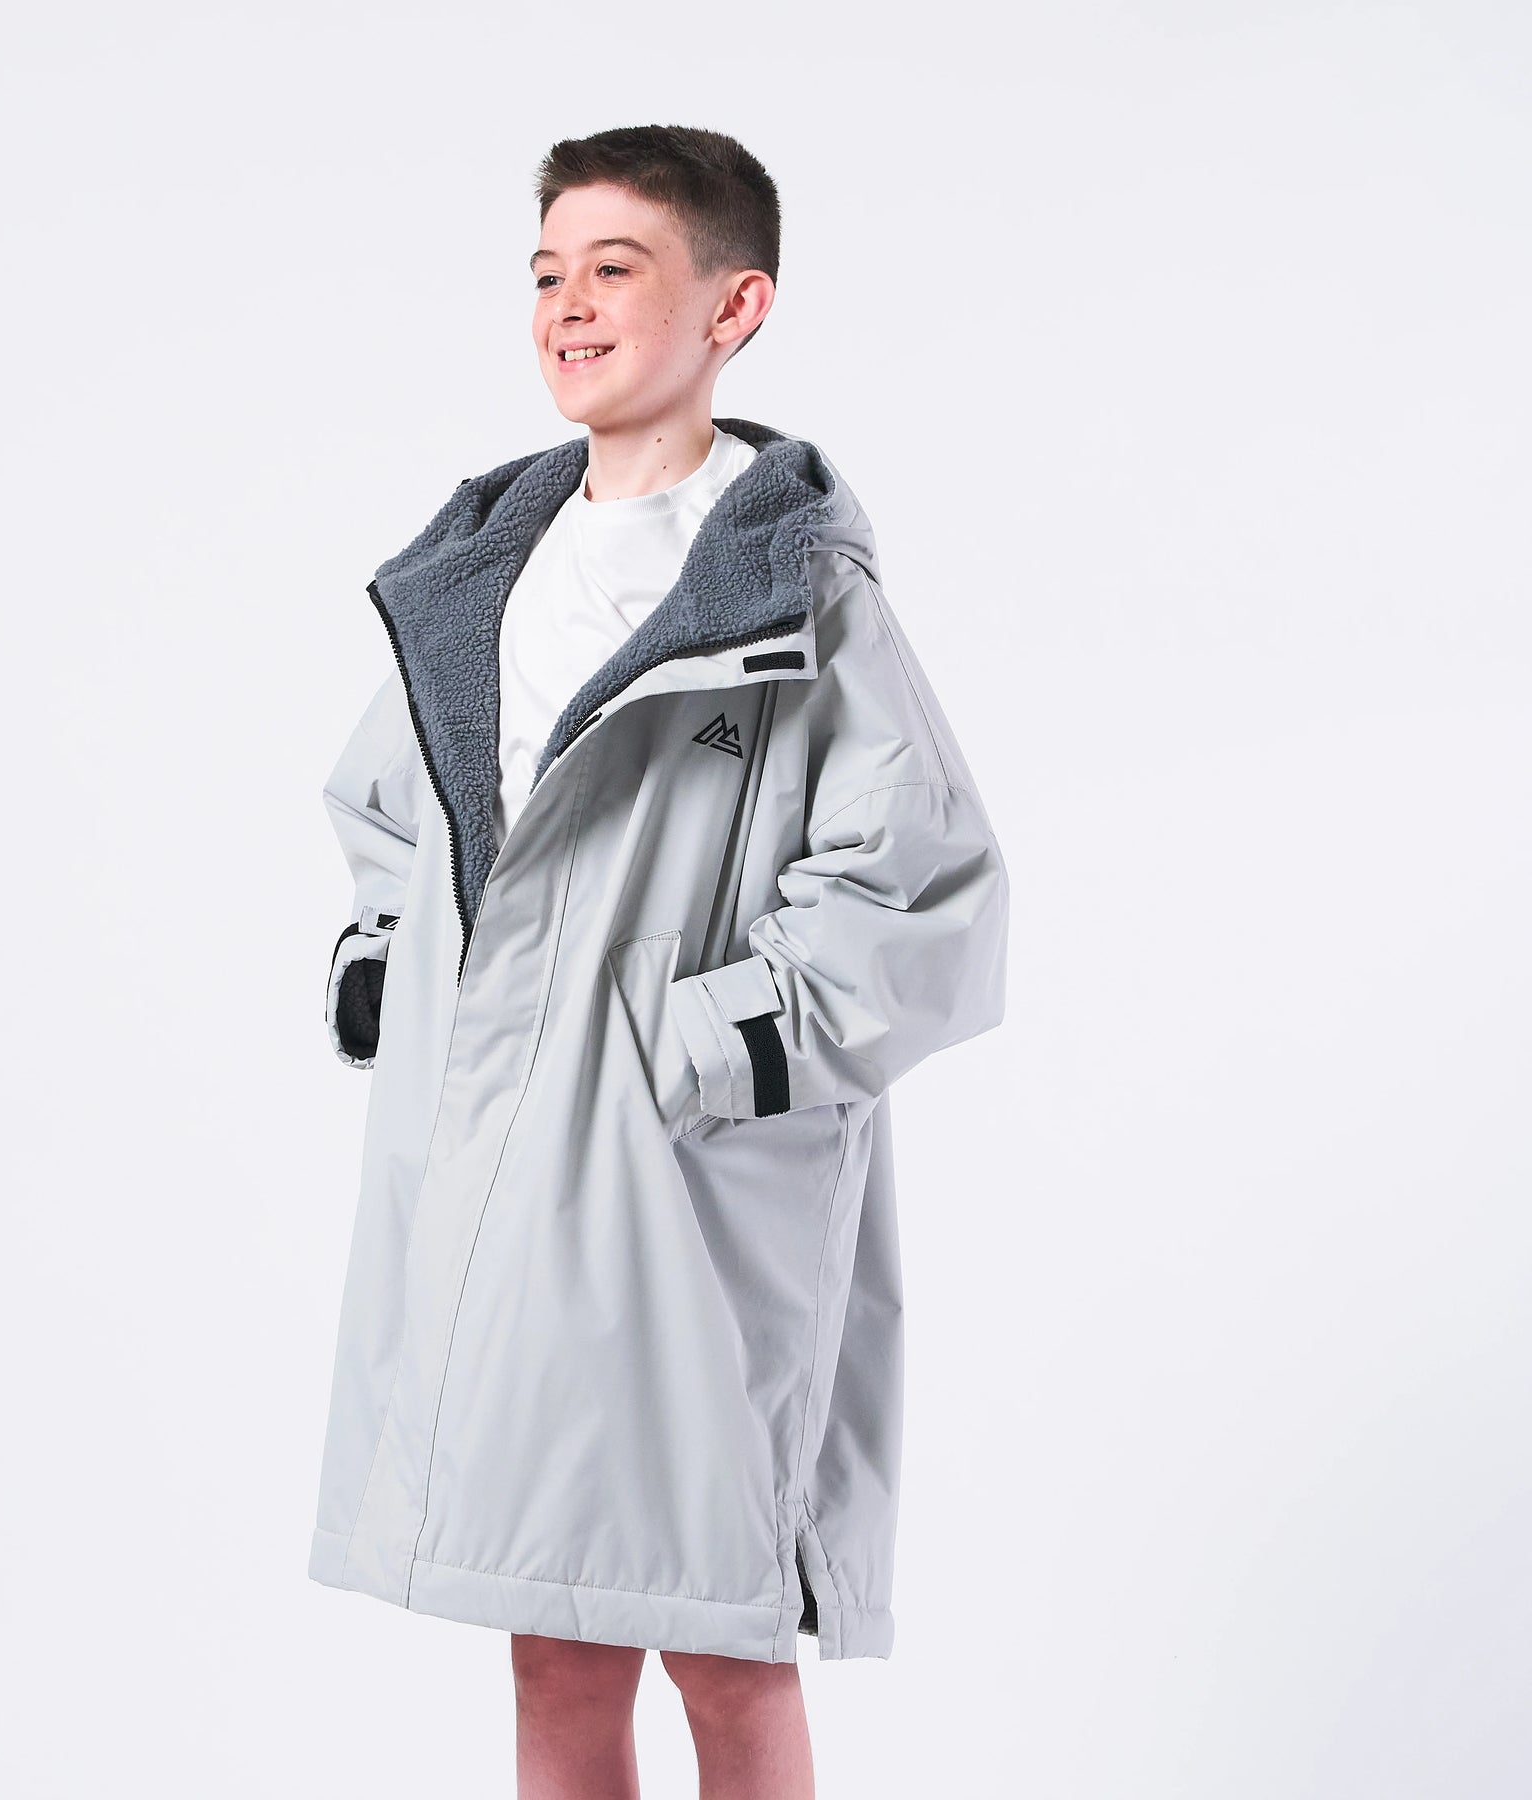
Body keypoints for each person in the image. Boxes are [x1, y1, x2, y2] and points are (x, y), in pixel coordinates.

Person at [310, 124, 1010, 1800]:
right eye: (548, 271)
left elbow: (928, 884)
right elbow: (389, 814)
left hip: (679, 1190)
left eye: (615, 268)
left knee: (718, 1636)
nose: (568, 304)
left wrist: (716, 1044)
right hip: (488, 1169)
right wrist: (384, 967)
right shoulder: (475, 576)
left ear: (733, 306)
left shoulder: (796, 593)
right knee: (548, 1641)